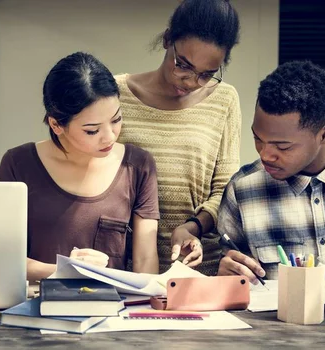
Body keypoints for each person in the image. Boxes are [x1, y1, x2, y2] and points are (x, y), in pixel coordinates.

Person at [0, 52, 161, 282]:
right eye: (92, 130)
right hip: (38, 308)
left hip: (112, 312)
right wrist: (67, 269)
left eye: (116, 120)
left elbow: (145, 262)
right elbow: (4, 259)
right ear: (56, 124)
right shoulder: (18, 164)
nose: (109, 137)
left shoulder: (138, 166)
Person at [217, 60, 325, 283]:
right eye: (257, 138)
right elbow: (232, 282)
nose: (265, 154)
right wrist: (226, 277)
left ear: (324, 135)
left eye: (282, 146)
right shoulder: (243, 190)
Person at [115, 0, 241, 273]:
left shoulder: (225, 100)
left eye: (206, 74)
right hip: (124, 269)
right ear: (167, 39)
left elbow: (226, 191)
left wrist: (192, 227)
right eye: (183, 65)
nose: (191, 81)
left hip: (196, 268)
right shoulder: (116, 93)